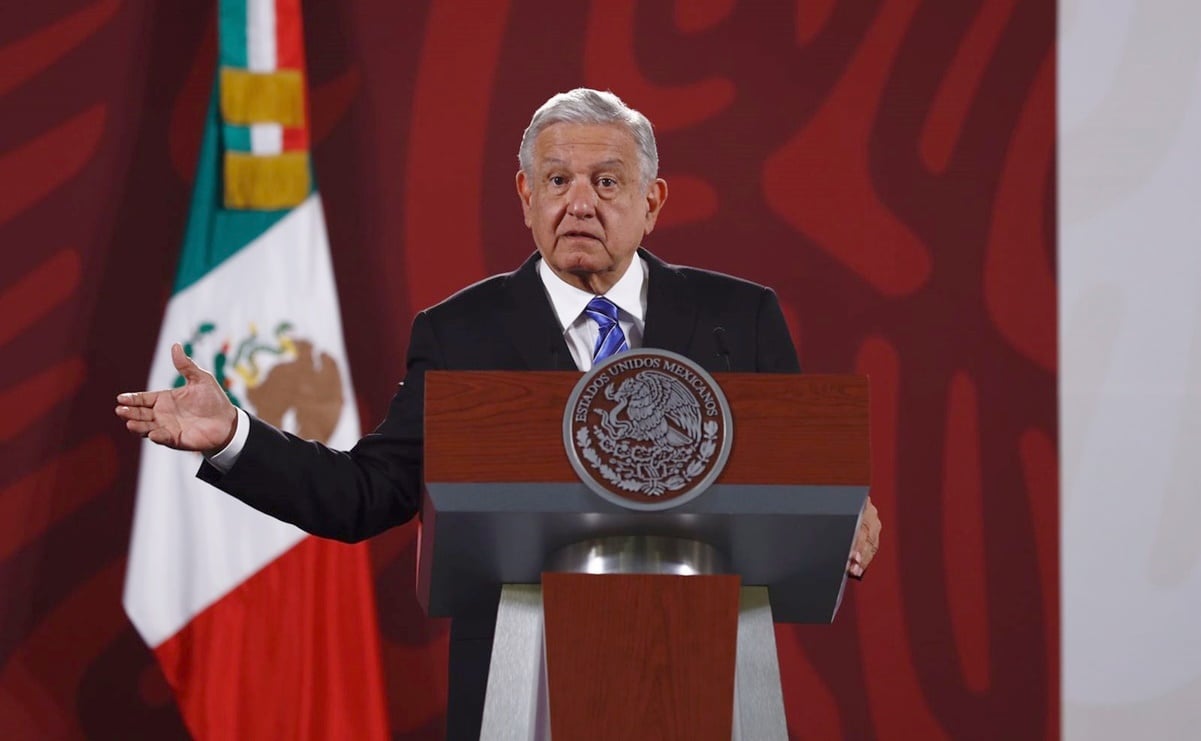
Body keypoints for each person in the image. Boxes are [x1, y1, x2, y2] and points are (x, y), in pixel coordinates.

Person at [117, 88, 882, 738]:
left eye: (607, 182)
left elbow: (797, 470)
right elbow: (365, 493)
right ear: (526, 197)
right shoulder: (460, 332)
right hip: (523, 689)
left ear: (652, 202)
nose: (579, 201)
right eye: (556, 179)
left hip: (709, 676)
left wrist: (842, 504)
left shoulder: (738, 318)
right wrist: (234, 437)